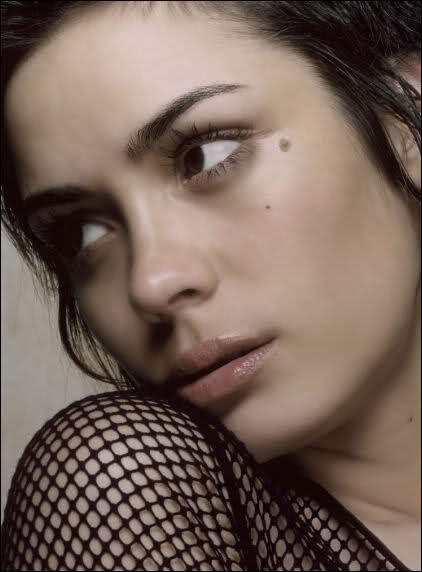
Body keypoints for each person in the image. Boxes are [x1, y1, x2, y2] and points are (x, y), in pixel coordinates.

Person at [1, 1, 420, 570]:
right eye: (81, 232)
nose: (150, 283)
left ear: (406, 115)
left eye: (205, 156)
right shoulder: (118, 490)